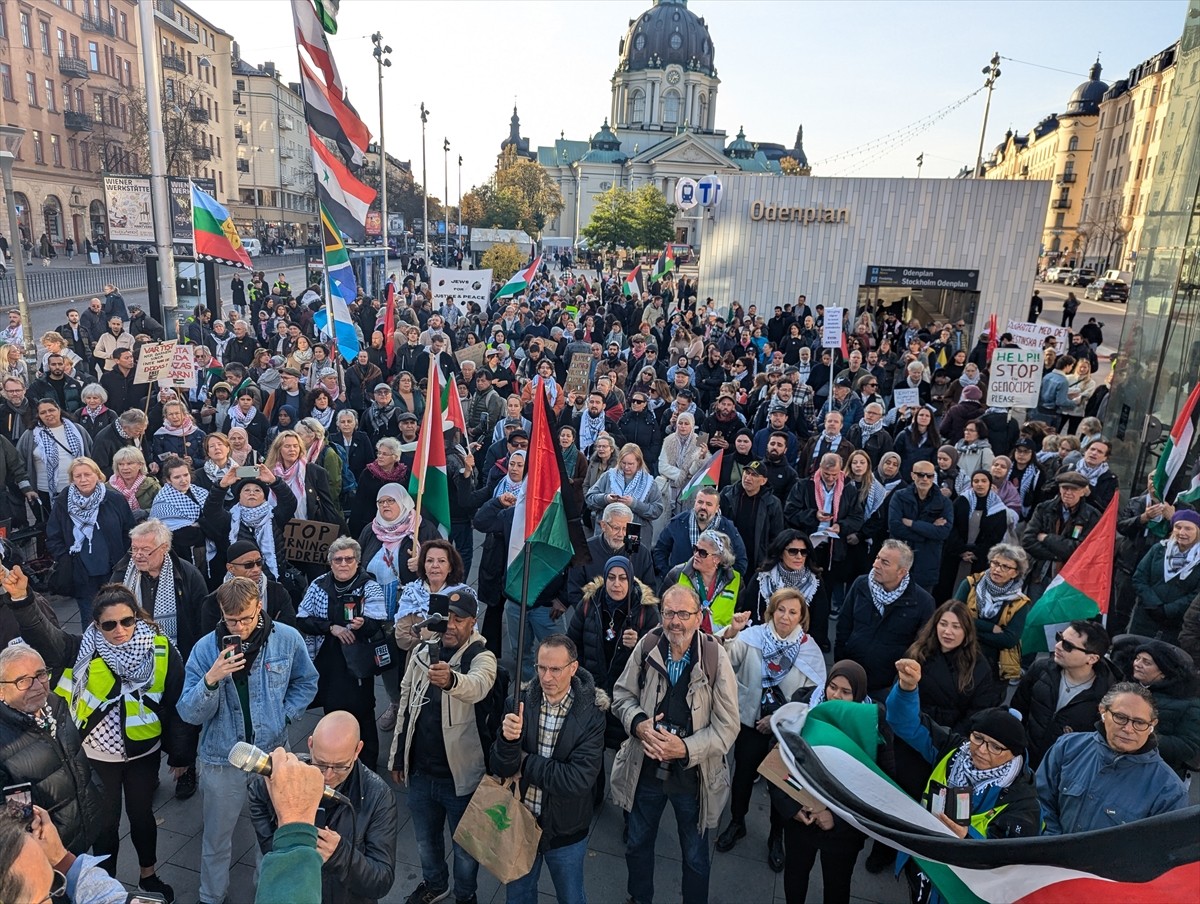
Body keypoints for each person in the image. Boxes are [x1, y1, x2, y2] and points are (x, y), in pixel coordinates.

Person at [8, 581, 184, 899]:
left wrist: (180, 755)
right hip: (99, 755)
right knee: (106, 824)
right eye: (109, 624)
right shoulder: (84, 648)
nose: (120, 630)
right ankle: (103, 883)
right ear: (96, 625)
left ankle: (148, 876)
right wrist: (22, 599)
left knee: (142, 817)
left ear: (137, 617)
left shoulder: (160, 648)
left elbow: (174, 702)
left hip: (143, 752)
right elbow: (46, 638)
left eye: (127, 621)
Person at [177, 576, 318, 904]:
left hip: (270, 754)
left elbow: (307, 681)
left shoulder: (287, 639)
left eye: (246, 618)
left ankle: (266, 893)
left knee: (270, 834)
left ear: (260, 607)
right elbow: (188, 712)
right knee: (216, 837)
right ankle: (211, 897)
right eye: (231, 620)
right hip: (221, 757)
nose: (239, 627)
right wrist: (212, 679)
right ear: (221, 613)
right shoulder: (205, 649)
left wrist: (285, 715)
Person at [610, 584, 740, 904]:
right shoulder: (648, 645)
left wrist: (684, 749)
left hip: (692, 777)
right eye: (669, 613)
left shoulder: (714, 657)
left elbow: (728, 726)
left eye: (684, 614)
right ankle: (639, 898)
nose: (675, 622)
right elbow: (622, 696)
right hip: (647, 768)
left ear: (698, 617)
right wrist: (639, 725)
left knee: (695, 856)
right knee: (637, 843)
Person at [886, 659, 1040, 900]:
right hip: (926, 863)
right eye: (977, 738)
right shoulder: (953, 749)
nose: (981, 750)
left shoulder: (1023, 801)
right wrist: (907, 689)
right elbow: (906, 723)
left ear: (1014, 754)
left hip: (963, 888)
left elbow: (1011, 861)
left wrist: (966, 839)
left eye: (995, 747)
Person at [388, 588, 497, 904]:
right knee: (425, 841)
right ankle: (435, 885)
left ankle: (465, 895)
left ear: (472, 621)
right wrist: (397, 757)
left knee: (465, 848)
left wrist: (451, 680)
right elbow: (405, 705)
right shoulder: (422, 652)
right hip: (421, 774)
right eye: (445, 617)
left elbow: (477, 686)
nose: (450, 624)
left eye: (459, 619)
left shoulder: (482, 657)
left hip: (460, 779)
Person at [714, 589, 826, 870]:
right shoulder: (752, 636)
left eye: (792, 612)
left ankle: (776, 837)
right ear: (771, 611)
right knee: (742, 776)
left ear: (801, 617)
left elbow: (813, 697)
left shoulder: (809, 650)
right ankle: (737, 822)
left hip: (785, 731)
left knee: (781, 784)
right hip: (750, 722)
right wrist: (732, 632)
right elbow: (726, 658)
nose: (785, 617)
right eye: (780, 610)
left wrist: (777, 718)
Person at [492, 635, 606, 904]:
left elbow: (577, 780)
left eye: (555, 669)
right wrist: (507, 741)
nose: (546, 677)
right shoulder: (518, 703)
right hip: (520, 822)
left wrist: (524, 762)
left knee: (571, 897)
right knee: (518, 897)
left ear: (573, 668)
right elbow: (498, 766)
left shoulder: (592, 714)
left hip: (566, 831)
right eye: (541, 667)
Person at [249, 711, 399, 904]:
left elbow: (382, 881)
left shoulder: (378, 796)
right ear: (310, 744)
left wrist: (340, 854)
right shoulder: (287, 778)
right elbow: (257, 793)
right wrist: (286, 839)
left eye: (340, 766)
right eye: (320, 763)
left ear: (357, 750)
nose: (328, 776)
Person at [771, 661, 879, 904]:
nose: (836, 695)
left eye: (846, 691)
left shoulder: (873, 727)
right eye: (832, 687)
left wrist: (835, 819)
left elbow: (875, 791)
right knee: (795, 877)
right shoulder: (802, 707)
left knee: (837, 886)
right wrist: (793, 807)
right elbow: (777, 762)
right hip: (801, 822)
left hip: (842, 835)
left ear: (859, 694)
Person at [1037, 683, 1189, 834]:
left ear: (1152, 725)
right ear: (1103, 711)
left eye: (1139, 722)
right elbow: (1040, 800)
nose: (1128, 729)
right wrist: (1053, 841)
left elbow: (1161, 844)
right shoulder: (1068, 747)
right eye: (1120, 717)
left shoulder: (1169, 790)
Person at [0, 641, 105, 856]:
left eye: (41, 674)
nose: (38, 686)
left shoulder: (56, 704)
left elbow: (75, 755)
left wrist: (97, 792)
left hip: (88, 823)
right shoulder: (4, 742)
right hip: (50, 850)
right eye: (22, 681)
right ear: (1, 691)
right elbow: (14, 818)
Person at [296, 538, 388, 769]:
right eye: (338, 560)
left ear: (357, 562)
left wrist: (362, 624)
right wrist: (331, 627)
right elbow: (302, 618)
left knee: (363, 711)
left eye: (349, 559)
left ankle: (367, 765)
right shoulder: (319, 584)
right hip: (329, 659)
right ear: (330, 562)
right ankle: (335, 759)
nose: (344, 564)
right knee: (332, 710)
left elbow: (376, 623)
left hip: (358, 661)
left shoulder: (369, 586)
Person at [835, 539, 935, 699]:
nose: (876, 565)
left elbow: (921, 648)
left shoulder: (923, 602)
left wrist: (899, 683)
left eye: (885, 562)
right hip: (850, 678)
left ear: (901, 572)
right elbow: (843, 625)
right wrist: (840, 665)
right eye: (877, 558)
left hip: (887, 688)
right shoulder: (861, 584)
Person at [1011, 619, 1117, 768]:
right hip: (1023, 761)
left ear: (1092, 658)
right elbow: (1018, 711)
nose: (1058, 646)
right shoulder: (1040, 669)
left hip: (1064, 770)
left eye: (1068, 646)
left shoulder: (1108, 696)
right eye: (1059, 638)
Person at [46, 456, 136, 625]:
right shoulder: (62, 503)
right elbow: (53, 536)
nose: (83, 479)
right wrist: (65, 559)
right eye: (78, 476)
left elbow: (129, 531)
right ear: (72, 479)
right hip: (82, 573)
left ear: (98, 475)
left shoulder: (114, 499)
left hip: (114, 570)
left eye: (87, 474)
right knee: (90, 621)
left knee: (118, 616)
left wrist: (124, 560)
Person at [201, 464, 298, 584]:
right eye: (246, 490)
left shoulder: (274, 516)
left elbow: (289, 504)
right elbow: (211, 511)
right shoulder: (229, 520)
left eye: (257, 490)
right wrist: (222, 486)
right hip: (240, 582)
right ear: (239, 497)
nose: (252, 493)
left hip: (273, 580)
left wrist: (274, 481)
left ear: (264, 497)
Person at [955, 543, 1032, 684]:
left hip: (994, 665)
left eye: (1005, 567)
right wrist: (990, 628)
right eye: (995, 563)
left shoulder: (1020, 602)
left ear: (1015, 573)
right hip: (960, 654)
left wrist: (969, 630)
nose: (997, 569)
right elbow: (955, 617)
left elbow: (1009, 640)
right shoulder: (970, 584)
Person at [1020, 471, 1100, 600]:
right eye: (1065, 488)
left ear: (1083, 491)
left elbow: (1082, 550)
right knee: (1033, 609)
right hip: (1039, 573)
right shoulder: (1043, 508)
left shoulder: (1092, 516)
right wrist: (1058, 555)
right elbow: (1028, 541)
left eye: (1074, 489)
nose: (1068, 492)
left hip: (1069, 578)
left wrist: (1047, 538)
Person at [1127, 639, 1200, 778]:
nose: (1137, 664)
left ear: (1163, 672)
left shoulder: (1189, 704)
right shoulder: (1124, 689)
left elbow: (1188, 746)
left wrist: (1142, 737)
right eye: (1137, 658)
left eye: (1146, 663)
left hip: (1157, 774)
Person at [566, 501, 657, 609]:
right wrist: (591, 615)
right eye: (616, 528)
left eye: (625, 528)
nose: (621, 534)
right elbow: (575, 592)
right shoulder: (584, 550)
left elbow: (649, 591)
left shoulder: (641, 553)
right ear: (603, 526)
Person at [1129, 509, 1200, 644]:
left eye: (1188, 528)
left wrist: (1168, 610)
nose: (1182, 532)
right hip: (1145, 617)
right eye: (1178, 527)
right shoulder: (1159, 549)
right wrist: (1154, 604)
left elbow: (1196, 594)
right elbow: (1139, 578)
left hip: (1175, 624)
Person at [660, 529, 742, 633]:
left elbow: (740, 612)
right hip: (684, 636)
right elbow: (661, 607)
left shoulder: (735, 580)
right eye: (695, 549)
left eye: (703, 553)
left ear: (717, 559)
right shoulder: (677, 573)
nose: (696, 555)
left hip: (721, 639)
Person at [888, 461, 954, 590]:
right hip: (900, 559)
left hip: (927, 562)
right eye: (920, 475)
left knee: (923, 600)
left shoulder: (944, 502)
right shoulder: (899, 496)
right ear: (913, 475)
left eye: (929, 476)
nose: (925, 479)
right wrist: (928, 531)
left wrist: (912, 523)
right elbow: (895, 527)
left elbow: (943, 532)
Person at [584, 443, 665, 545]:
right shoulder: (609, 476)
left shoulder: (649, 483)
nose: (626, 467)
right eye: (623, 463)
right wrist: (606, 499)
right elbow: (589, 498)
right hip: (609, 531)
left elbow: (657, 510)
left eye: (630, 464)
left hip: (635, 531)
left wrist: (634, 504)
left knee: (632, 555)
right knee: (607, 554)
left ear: (639, 462)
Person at [16, 398, 90, 507]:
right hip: (44, 491)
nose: (48, 414)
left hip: (79, 487)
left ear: (59, 410)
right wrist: (28, 487)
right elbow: (19, 461)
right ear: (38, 415)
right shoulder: (31, 435)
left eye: (51, 410)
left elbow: (91, 454)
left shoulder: (78, 430)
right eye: (43, 412)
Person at [719, 460, 785, 576]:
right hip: (728, 556)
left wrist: (767, 562)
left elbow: (776, 538)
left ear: (763, 481)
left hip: (756, 562)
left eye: (754, 475)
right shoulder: (727, 493)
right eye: (747, 472)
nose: (748, 478)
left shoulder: (772, 503)